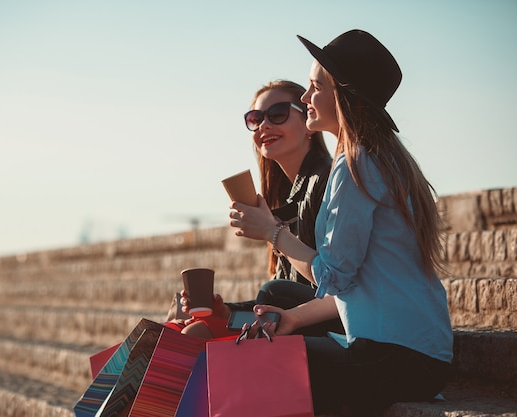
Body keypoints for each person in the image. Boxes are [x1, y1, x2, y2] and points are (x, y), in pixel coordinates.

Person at [228, 30, 453, 416]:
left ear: (342, 96)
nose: (305, 97)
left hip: (396, 358)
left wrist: (272, 232)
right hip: (418, 354)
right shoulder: (382, 158)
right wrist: (293, 316)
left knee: (261, 361)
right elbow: (352, 283)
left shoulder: (356, 166)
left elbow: (335, 276)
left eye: (315, 86)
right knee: (276, 310)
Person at [175, 80, 343, 339]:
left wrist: (272, 231)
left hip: (331, 326)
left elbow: (325, 287)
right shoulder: (281, 196)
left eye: (278, 114)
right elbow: (285, 302)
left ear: (308, 121)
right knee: (180, 323)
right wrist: (225, 311)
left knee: (197, 332)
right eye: (255, 118)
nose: (264, 125)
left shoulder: (327, 179)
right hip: (295, 319)